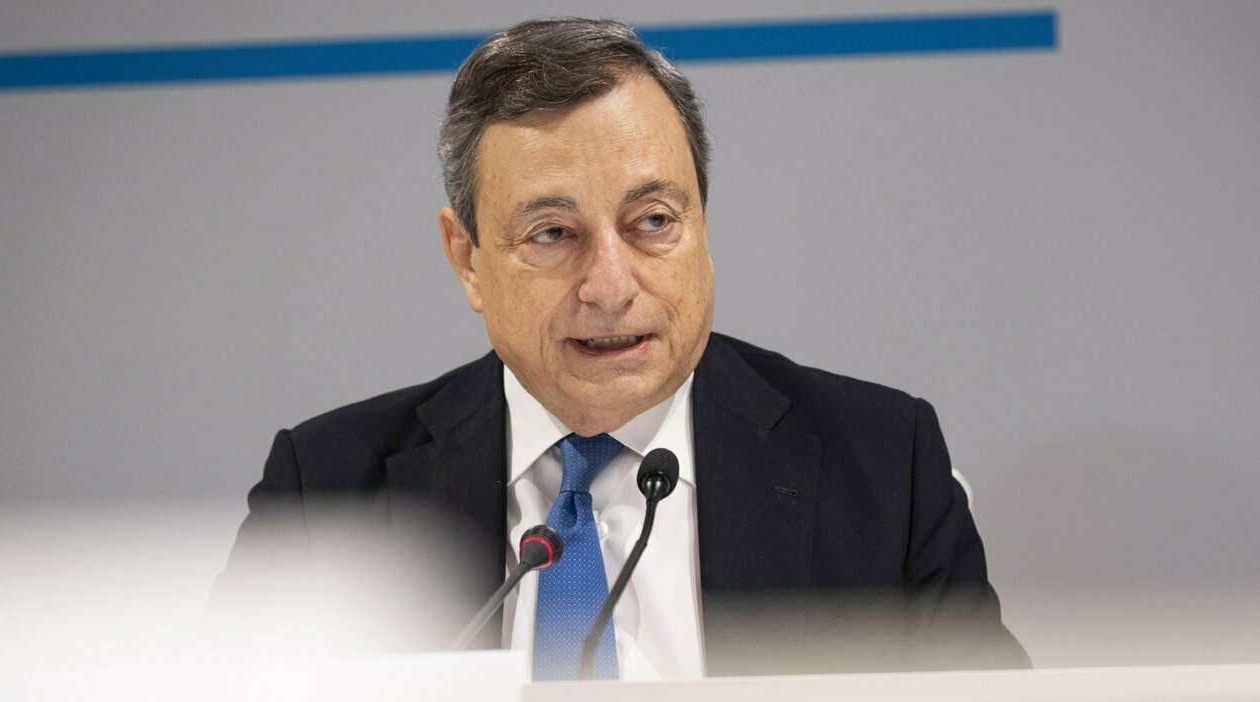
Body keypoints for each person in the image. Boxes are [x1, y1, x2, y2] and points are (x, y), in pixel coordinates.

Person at [208, 17, 1029, 680]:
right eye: (552, 233)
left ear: (702, 226)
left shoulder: (883, 468)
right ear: (468, 260)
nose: (609, 285)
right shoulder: (326, 492)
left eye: (653, 222)